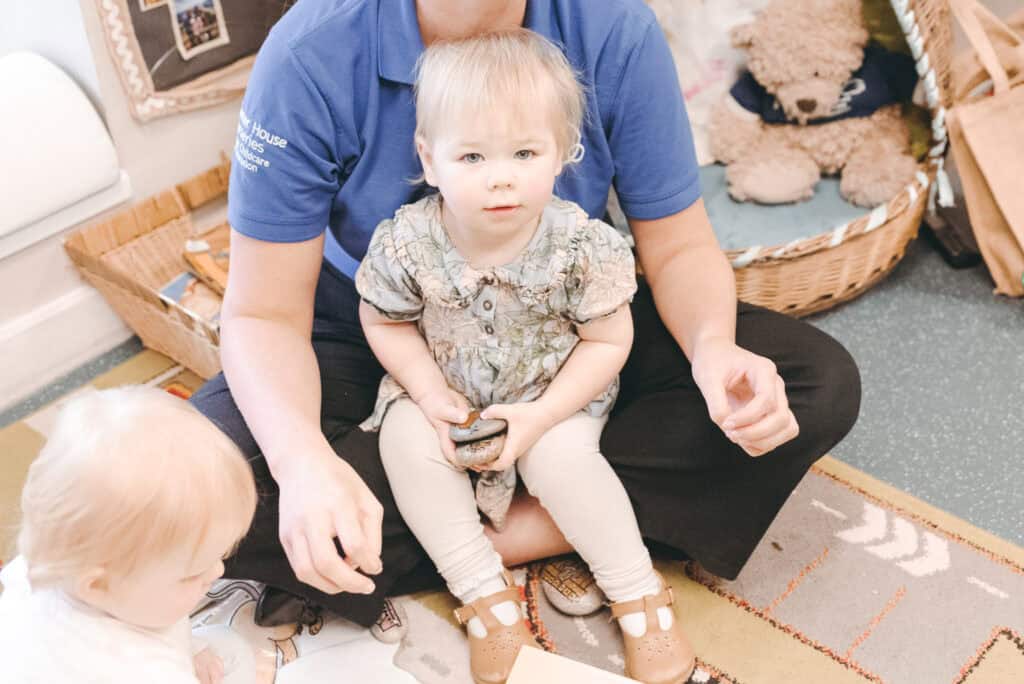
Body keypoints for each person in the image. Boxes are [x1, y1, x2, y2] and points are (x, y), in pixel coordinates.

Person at [192, 0, 860, 632]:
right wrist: (302, 462)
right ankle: (585, 516)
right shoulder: (312, 51)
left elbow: (680, 246)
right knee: (197, 490)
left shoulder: (615, 27)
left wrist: (714, 348)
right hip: (378, 320)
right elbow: (262, 312)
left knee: (811, 383)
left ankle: (481, 533)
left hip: (566, 321)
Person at [353, 29, 694, 683]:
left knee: (561, 458)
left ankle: (636, 593)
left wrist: (538, 418)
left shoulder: (578, 245)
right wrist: (427, 392)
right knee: (404, 445)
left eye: (524, 152)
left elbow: (608, 342)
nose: (500, 175)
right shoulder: (406, 242)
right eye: (473, 156)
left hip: (552, 391)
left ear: (563, 152)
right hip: (446, 388)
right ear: (429, 158)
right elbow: (385, 321)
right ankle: (484, 593)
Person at [0, 387, 258, 684]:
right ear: (96, 585)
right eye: (191, 574)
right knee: (236, 653)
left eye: (219, 556)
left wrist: (193, 648)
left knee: (225, 649)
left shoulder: (46, 568)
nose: (219, 571)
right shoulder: (144, 672)